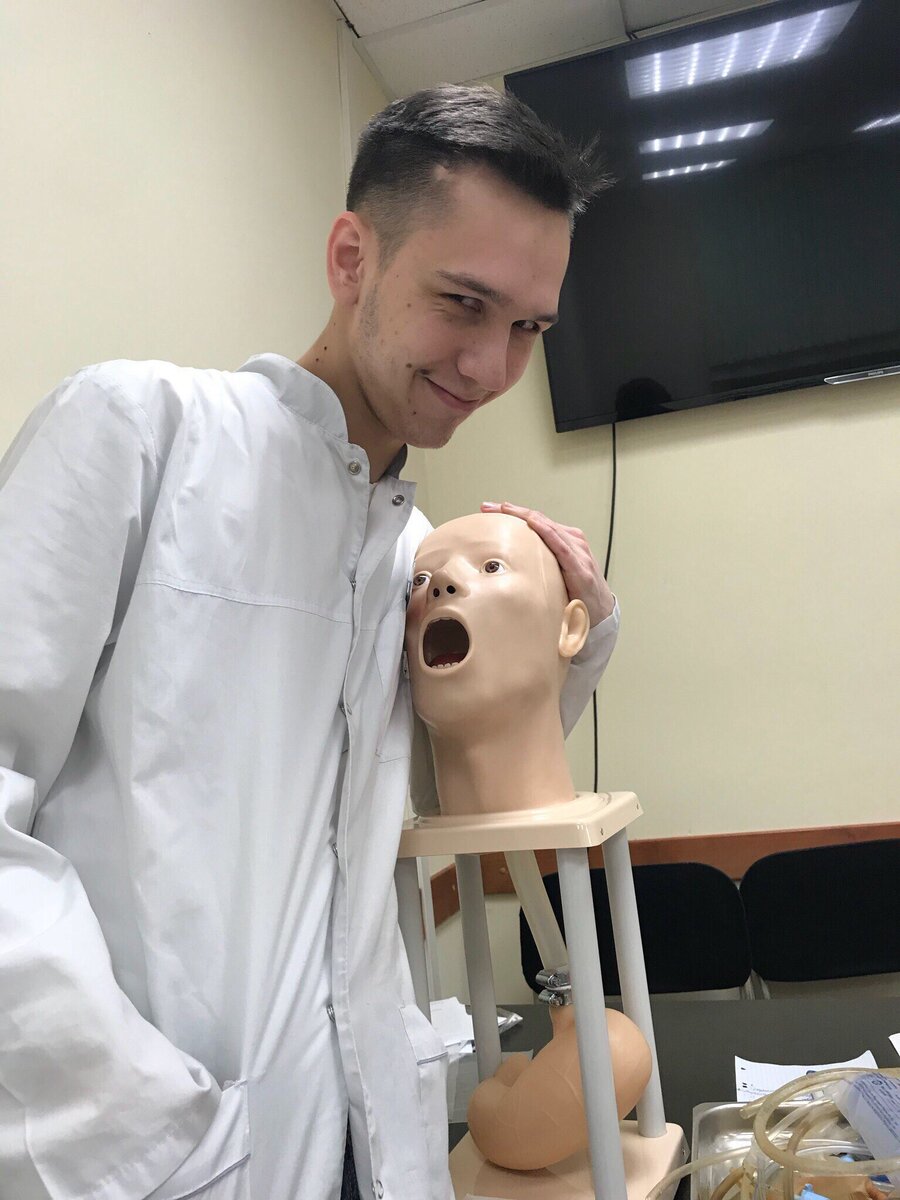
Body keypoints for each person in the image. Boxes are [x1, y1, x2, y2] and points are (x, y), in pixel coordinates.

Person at [0, 85, 619, 1200]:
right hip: (159, 1155)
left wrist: (580, 632)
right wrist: (144, 1131)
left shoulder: (415, 559)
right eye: (464, 303)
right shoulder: (142, 436)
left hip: (367, 1145)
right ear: (351, 259)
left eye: (529, 328)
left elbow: (469, 784)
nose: (491, 367)